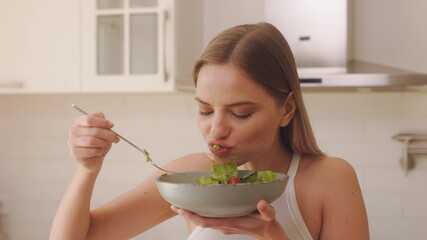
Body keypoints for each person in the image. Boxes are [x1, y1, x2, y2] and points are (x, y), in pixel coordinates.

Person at [50, 22, 369, 240]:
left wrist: (271, 235)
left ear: (285, 109)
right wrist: (87, 169)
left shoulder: (330, 178)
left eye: (240, 113)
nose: (215, 130)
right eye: (204, 110)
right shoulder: (193, 177)